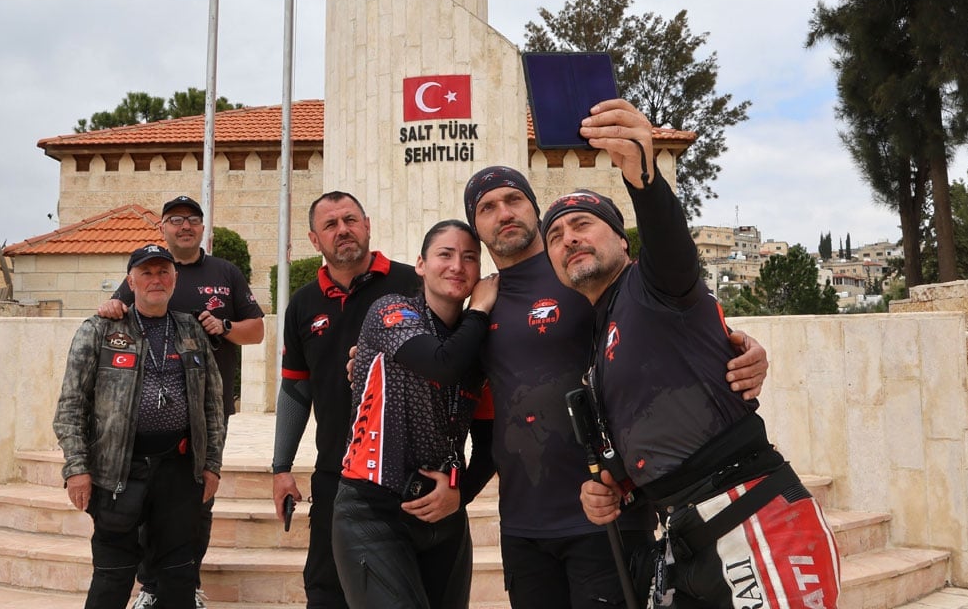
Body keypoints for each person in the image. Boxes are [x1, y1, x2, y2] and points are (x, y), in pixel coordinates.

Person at [545, 99, 840, 609]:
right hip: (686, 538)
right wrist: (613, 487)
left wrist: (644, 176)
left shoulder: (656, 283)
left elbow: (668, 237)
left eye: (583, 225)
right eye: (555, 236)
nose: (569, 239)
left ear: (622, 240)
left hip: (755, 517)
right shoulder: (601, 336)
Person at [460, 166, 771, 609]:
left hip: (607, 514)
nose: (503, 213)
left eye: (514, 200)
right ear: (476, 226)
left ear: (533, 206)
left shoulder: (581, 271)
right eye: (487, 207)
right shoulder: (475, 299)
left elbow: (673, 319)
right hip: (523, 522)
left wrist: (740, 346)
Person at [99, 195, 265, 608]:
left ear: (202, 228)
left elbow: (257, 331)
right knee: (143, 501)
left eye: (192, 219)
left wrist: (225, 326)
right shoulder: (146, 268)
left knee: (198, 501)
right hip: (145, 415)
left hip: (207, 409)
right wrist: (109, 306)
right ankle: (151, 586)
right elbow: (118, 309)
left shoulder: (225, 272)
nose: (185, 226)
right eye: (175, 220)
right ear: (163, 228)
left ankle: (185, 582)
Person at [332, 220, 499, 609]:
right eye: (445, 254)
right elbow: (441, 364)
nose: (457, 265)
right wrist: (483, 308)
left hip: (444, 518)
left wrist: (460, 495)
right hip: (372, 511)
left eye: (469, 257)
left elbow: (491, 443)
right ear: (421, 265)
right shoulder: (392, 311)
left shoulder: (480, 344)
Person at [53, 244, 225, 609]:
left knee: (179, 574)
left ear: (175, 281)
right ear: (130, 282)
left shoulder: (191, 329)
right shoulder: (99, 330)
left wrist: (211, 465)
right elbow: (71, 405)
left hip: (178, 472)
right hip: (119, 472)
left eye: (164, 272)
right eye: (146, 273)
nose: (156, 280)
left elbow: (213, 405)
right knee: (112, 575)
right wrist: (76, 469)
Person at [272, 191, 422, 608]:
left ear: (367, 225)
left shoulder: (412, 284)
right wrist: (281, 468)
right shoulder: (303, 304)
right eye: (331, 225)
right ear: (314, 240)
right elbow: (296, 389)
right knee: (326, 589)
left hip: (406, 475)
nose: (343, 231)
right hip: (335, 473)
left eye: (350, 220)